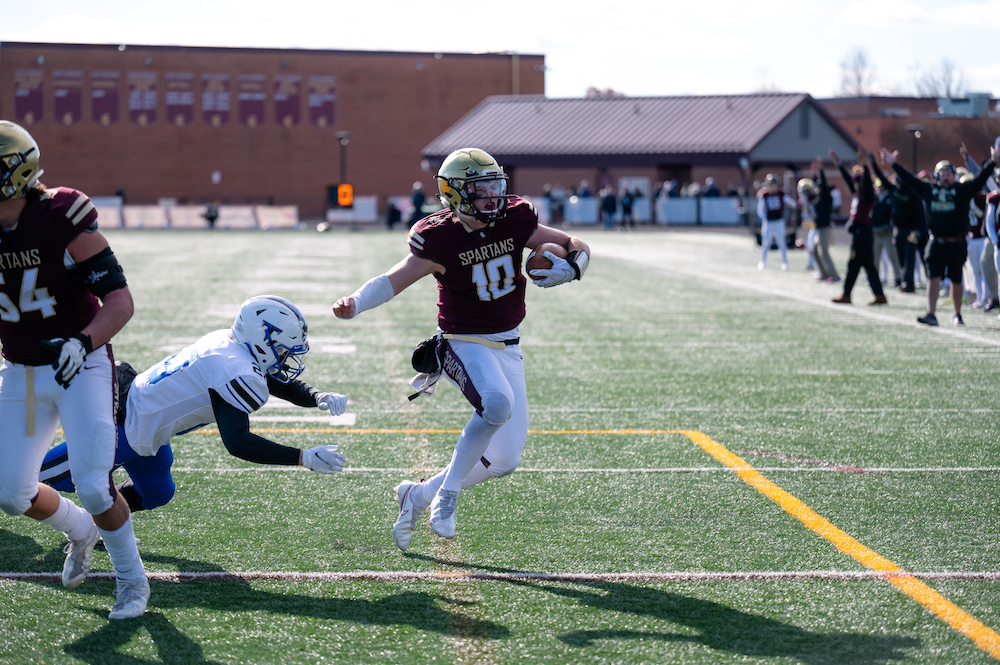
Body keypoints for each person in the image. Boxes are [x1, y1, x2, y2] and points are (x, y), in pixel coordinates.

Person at [332, 148, 591, 550]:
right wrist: (355, 301)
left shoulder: (514, 217)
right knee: (497, 404)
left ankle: (417, 495)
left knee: (505, 460)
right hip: (462, 341)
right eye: (481, 187)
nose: (493, 195)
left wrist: (573, 267)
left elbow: (573, 243)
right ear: (454, 193)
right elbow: (393, 279)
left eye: (495, 185)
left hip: (508, 343)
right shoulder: (439, 237)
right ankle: (447, 496)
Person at [0, 120, 147, 619]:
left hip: (78, 368)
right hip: (20, 373)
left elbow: (121, 302)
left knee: (92, 481)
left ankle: (132, 581)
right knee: (11, 492)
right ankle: (79, 530)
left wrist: (83, 342)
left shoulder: (60, 217)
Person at [38, 295, 349, 514]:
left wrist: (315, 396)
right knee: (35, 477)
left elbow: (266, 376)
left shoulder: (230, 346)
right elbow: (238, 442)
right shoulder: (234, 368)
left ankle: (99, 525)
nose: (286, 358)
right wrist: (303, 457)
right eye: (282, 350)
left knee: (158, 491)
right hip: (121, 418)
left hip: (145, 424)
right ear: (262, 340)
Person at [881, 143, 999, 326]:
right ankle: (931, 313)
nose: (945, 176)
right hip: (936, 242)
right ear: (937, 176)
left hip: (957, 242)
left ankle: (957, 314)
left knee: (956, 278)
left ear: (954, 176)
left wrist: (993, 161)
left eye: (949, 173)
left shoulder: (962, 191)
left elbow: (980, 178)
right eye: (942, 173)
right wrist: (893, 164)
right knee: (933, 277)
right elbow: (910, 180)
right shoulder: (928, 190)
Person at [829, 149, 887, 306]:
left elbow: (867, 182)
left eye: (858, 180)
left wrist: (864, 165)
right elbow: (848, 179)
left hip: (862, 233)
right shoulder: (857, 193)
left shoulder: (867, 195)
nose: (855, 183)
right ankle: (879, 295)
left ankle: (846, 294)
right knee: (869, 266)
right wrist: (838, 163)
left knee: (853, 264)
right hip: (862, 233)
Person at [808, 158, 840, 282]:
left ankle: (834, 275)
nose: (817, 189)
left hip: (825, 228)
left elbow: (824, 183)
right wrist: (814, 173)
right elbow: (816, 183)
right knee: (815, 251)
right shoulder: (819, 198)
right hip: (819, 228)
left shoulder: (826, 197)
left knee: (824, 252)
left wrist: (821, 169)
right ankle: (824, 273)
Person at [755, 173, 794, 270]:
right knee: (766, 242)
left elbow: (791, 203)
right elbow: (760, 210)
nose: (772, 186)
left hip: (779, 221)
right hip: (768, 222)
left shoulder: (781, 194)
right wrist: (766, 218)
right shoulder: (765, 195)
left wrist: (795, 204)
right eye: (770, 184)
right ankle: (762, 262)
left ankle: (785, 263)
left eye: (774, 184)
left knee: (781, 242)